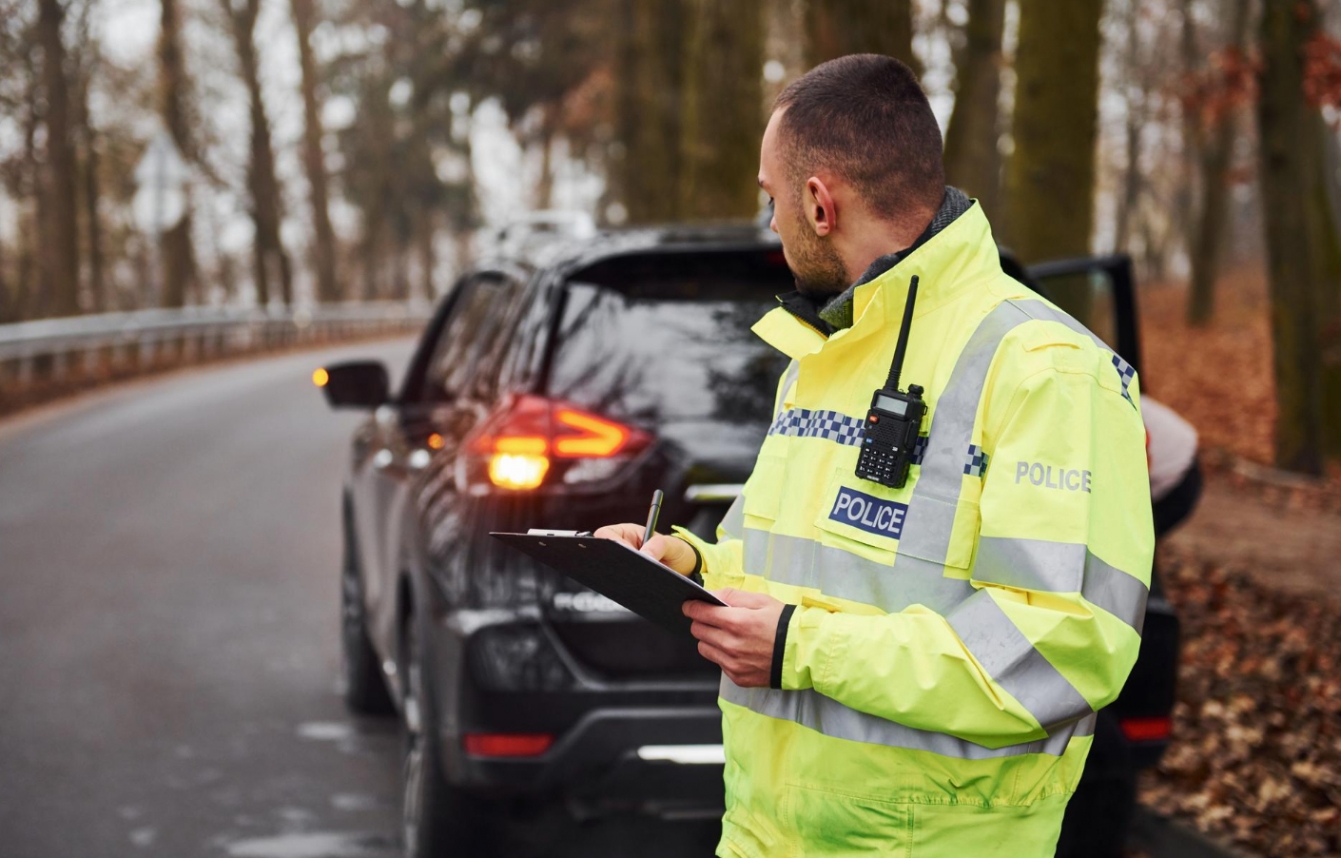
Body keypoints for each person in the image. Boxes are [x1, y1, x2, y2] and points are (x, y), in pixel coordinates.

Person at [596, 54, 1153, 857]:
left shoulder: (1048, 370)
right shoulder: (822, 355)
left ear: (819, 203)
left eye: (771, 200)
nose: (772, 223)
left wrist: (799, 647)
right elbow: (796, 576)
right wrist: (686, 565)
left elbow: (1061, 650)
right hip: (764, 835)